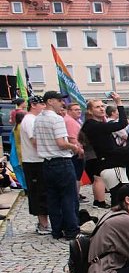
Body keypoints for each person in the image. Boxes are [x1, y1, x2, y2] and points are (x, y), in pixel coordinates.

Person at [34, 91, 83, 240]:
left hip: (47, 163)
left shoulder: (38, 119)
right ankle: (71, 230)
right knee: (69, 197)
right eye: (59, 100)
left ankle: (56, 230)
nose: (62, 103)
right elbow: (61, 143)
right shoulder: (56, 119)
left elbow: (35, 141)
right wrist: (74, 147)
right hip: (62, 161)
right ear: (50, 101)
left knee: (53, 198)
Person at [81, 93, 129, 204]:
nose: (101, 109)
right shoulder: (93, 125)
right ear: (90, 111)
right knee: (120, 196)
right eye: (97, 107)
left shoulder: (95, 124)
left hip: (110, 163)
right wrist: (119, 103)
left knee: (120, 196)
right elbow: (122, 123)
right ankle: (119, 218)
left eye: (102, 106)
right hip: (110, 164)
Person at [19, 96, 51, 234]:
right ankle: (43, 224)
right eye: (42, 104)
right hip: (34, 161)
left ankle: (44, 222)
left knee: (43, 192)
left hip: (38, 160)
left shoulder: (34, 119)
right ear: (33, 105)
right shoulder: (30, 120)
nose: (44, 107)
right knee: (39, 193)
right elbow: (35, 141)